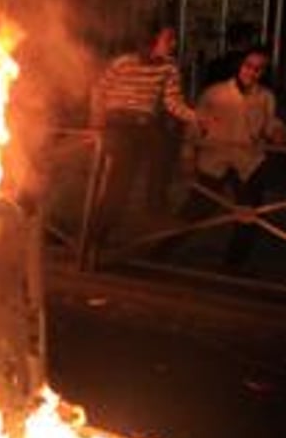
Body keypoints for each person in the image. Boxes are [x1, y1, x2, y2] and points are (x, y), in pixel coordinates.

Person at [167, 46, 285, 268]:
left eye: (259, 69)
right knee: (195, 210)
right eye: (249, 66)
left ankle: (233, 266)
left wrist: (278, 131)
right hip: (215, 160)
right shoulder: (215, 93)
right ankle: (159, 251)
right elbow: (194, 126)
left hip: (249, 162)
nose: (253, 72)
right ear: (240, 66)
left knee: (249, 217)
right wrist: (188, 155)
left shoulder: (265, 97)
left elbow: (270, 124)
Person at [90, 24, 202, 253]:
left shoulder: (169, 68)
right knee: (120, 181)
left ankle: (155, 207)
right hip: (118, 124)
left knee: (165, 146)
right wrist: (96, 122)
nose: (173, 44)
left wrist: (196, 117)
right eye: (168, 39)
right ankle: (96, 235)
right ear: (153, 40)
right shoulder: (123, 63)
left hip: (144, 124)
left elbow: (173, 102)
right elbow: (99, 91)